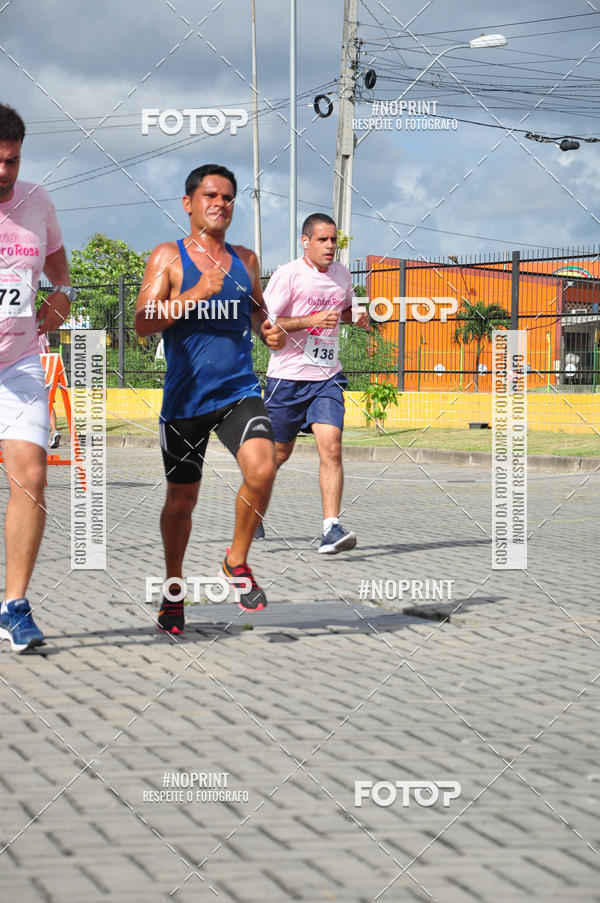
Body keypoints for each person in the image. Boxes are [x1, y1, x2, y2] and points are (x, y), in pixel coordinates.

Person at [135, 163, 285, 634]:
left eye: (228, 197)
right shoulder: (168, 257)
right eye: (210, 195)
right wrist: (196, 292)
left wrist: (268, 330)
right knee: (182, 502)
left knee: (263, 467)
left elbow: (257, 312)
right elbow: (142, 322)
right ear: (189, 203)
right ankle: (173, 591)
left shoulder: (247, 260)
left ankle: (235, 561)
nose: (220, 203)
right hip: (185, 402)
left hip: (238, 391)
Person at [0, 104, 76, 652]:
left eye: (13, 161)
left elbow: (58, 268)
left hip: (20, 360)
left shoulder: (37, 201)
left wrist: (62, 295)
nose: (5, 172)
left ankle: (14, 606)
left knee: (32, 476)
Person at [259, 213, 369, 553]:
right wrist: (311, 319)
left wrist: (358, 316)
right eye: (323, 240)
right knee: (278, 454)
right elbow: (267, 322)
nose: (330, 246)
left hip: (326, 377)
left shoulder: (342, 275)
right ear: (305, 241)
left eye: (334, 240)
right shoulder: (288, 274)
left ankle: (331, 528)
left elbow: (344, 310)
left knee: (332, 447)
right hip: (287, 379)